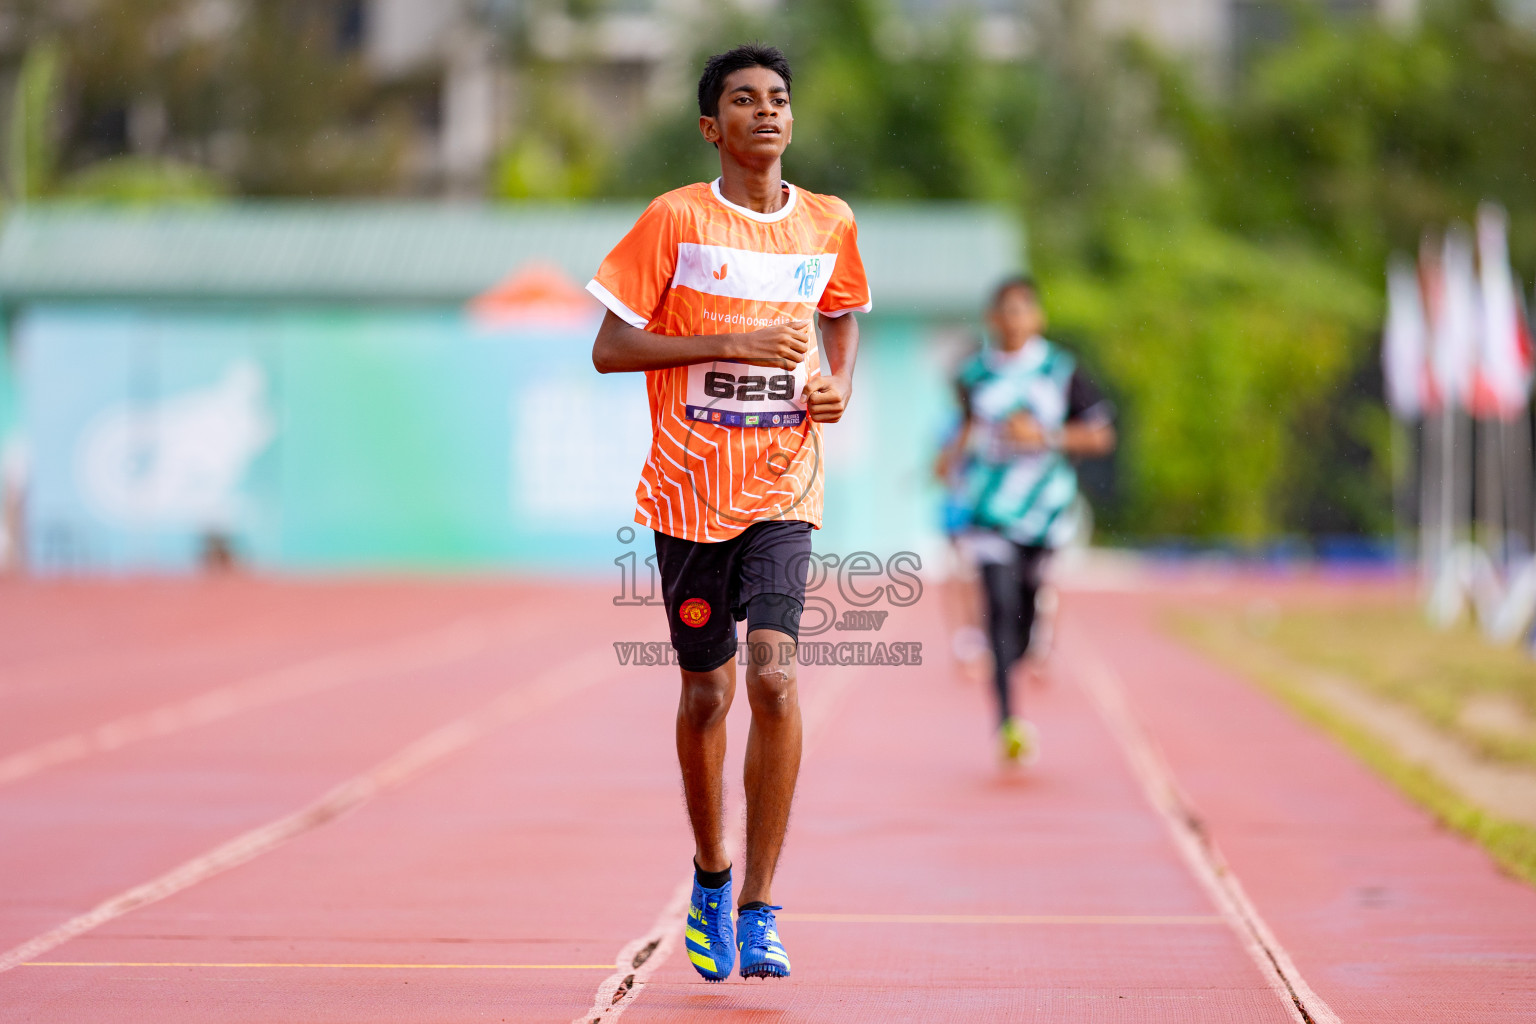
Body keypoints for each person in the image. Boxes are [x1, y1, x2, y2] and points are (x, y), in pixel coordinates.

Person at [587, 44, 869, 982]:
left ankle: (760, 906)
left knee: (778, 678)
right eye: (744, 101)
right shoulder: (674, 218)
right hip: (686, 490)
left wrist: (836, 384)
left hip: (784, 482)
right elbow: (610, 346)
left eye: (779, 99)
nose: (766, 112)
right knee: (706, 693)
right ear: (713, 127)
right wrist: (732, 339)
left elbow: (842, 315)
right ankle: (712, 874)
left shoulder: (828, 221)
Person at [949, 276, 1115, 764]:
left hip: (1044, 512)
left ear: (1037, 318)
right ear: (992, 319)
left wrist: (1045, 436)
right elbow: (964, 429)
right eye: (1006, 312)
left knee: (1018, 625)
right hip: (988, 510)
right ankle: (1006, 723)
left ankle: (1024, 650)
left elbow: (1100, 438)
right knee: (997, 607)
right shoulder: (973, 375)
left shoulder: (1061, 371)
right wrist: (947, 460)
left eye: (1024, 311)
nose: (1015, 321)